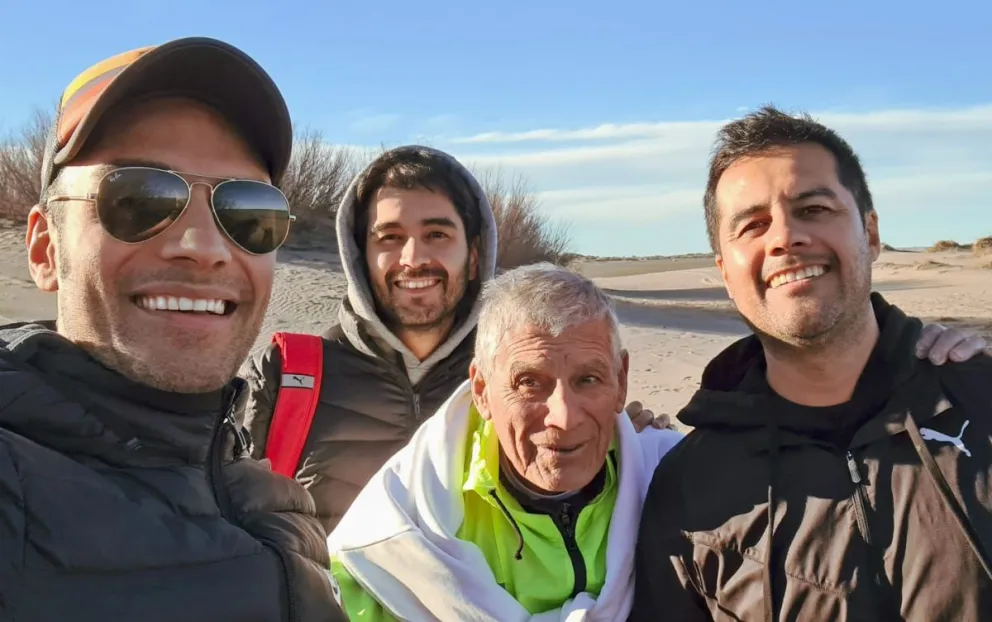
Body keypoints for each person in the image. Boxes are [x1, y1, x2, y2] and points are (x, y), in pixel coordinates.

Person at [0, 38, 345, 621]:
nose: (204, 247)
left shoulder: (280, 506)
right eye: (138, 198)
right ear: (45, 249)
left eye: (247, 211)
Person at [631, 105, 992, 621]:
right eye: (753, 225)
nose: (784, 237)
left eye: (814, 209)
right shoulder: (689, 488)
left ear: (870, 233)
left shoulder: (979, 400)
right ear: (725, 273)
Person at [239, 146, 675, 533]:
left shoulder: (520, 378)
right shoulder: (287, 377)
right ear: (360, 255)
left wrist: (625, 446)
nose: (413, 259)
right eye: (390, 238)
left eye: (437, 235)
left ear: (475, 254)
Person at [326, 263, 684, 621]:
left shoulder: (676, 480)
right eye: (529, 382)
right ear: (482, 390)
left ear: (621, 382)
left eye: (588, 379)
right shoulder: (393, 534)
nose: (563, 417)